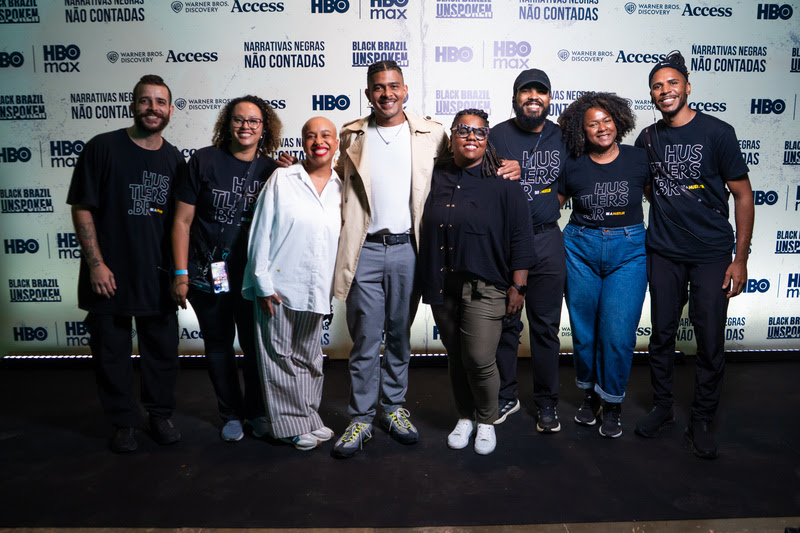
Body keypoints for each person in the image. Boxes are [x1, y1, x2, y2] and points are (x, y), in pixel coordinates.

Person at [332, 61, 520, 459]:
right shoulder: (351, 134)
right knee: (365, 339)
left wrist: (508, 163)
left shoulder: (432, 133)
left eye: (393, 86)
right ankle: (360, 418)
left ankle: (393, 409)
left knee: (399, 336)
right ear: (368, 94)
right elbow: (335, 179)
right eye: (378, 87)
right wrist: (297, 170)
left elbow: (470, 154)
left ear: (405, 91)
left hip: (409, 249)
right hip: (364, 248)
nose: (386, 94)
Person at [633, 51, 754, 459]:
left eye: (672, 83)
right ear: (651, 94)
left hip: (712, 254)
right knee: (661, 335)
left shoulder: (718, 132)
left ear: (687, 86)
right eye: (657, 86)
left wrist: (740, 259)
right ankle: (663, 407)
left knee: (710, 340)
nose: (665, 91)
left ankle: (702, 418)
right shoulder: (647, 138)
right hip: (664, 253)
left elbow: (743, 195)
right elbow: (648, 188)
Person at [67, 74, 184, 453]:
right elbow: (82, 207)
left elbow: (181, 223)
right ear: (133, 105)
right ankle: (123, 423)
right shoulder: (102, 147)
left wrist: (179, 273)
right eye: (145, 101)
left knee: (162, 353)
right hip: (109, 274)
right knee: (111, 354)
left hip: (157, 274)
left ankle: (160, 415)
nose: (153, 108)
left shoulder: (174, 159)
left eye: (160, 102)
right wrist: (96, 265)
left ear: (170, 109)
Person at [419, 109, 536, 455]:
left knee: (479, 358)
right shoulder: (435, 175)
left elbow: (521, 237)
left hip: (486, 285)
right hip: (443, 283)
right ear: (452, 136)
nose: (471, 136)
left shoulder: (504, 181)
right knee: (456, 356)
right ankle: (464, 416)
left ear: (488, 139)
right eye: (463, 130)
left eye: (479, 132)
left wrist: (519, 286)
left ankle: (486, 418)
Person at [171, 95, 282, 442]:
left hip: (251, 278)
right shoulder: (204, 160)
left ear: (264, 128)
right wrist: (180, 273)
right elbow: (182, 221)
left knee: (255, 349)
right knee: (218, 347)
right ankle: (230, 414)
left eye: (253, 121)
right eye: (238, 119)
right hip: (208, 275)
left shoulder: (274, 170)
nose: (245, 126)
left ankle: (257, 412)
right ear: (227, 123)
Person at [242, 116, 341, 451]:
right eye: (311, 136)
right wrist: (261, 282)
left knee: (309, 357)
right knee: (279, 357)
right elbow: (260, 231)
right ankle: (288, 426)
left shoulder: (342, 187)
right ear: (302, 143)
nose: (318, 141)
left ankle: (308, 416)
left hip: (317, 287)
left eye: (325, 135)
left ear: (336, 143)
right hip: (279, 287)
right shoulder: (283, 178)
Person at [556, 92, 650, 438]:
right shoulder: (573, 163)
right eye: (592, 124)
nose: (601, 128)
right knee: (584, 332)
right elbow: (550, 206)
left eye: (606, 120)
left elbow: (662, 199)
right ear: (582, 130)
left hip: (629, 251)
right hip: (580, 248)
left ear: (618, 121)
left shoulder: (639, 159)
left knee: (618, 332)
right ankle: (589, 395)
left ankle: (612, 402)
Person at [489, 68, 568, 432]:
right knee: (506, 323)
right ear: (515, 97)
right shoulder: (496, 135)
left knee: (546, 327)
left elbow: (569, 183)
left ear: (549, 99)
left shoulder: (562, 136)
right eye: (526, 91)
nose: (533, 97)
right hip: (505, 243)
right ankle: (506, 395)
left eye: (541, 91)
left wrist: (545, 207)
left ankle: (547, 403)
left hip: (547, 239)